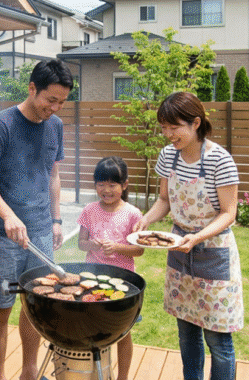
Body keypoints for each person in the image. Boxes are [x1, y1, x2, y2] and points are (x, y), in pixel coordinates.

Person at [0, 59, 75, 380]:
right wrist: (7, 215)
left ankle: (29, 372)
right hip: (3, 241)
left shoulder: (55, 126)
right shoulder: (1, 126)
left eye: (62, 102)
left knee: (35, 304)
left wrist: (57, 219)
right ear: (32, 89)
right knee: (2, 307)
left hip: (41, 234)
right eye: (51, 100)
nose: (56, 108)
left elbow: (53, 174)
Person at [132, 92, 243, 380]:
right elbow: (165, 200)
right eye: (164, 128)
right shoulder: (168, 156)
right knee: (187, 333)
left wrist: (196, 238)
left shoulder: (220, 159)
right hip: (179, 249)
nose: (168, 135)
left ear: (195, 123)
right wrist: (146, 218)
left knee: (218, 340)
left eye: (174, 127)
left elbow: (229, 213)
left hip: (212, 252)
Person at [76, 156, 143, 380]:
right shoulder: (89, 210)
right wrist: (92, 244)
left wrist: (117, 247)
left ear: (124, 185)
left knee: (123, 332)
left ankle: (122, 377)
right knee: (92, 329)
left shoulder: (133, 213)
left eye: (112, 184)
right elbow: (81, 243)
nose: (106, 190)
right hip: (92, 280)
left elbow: (139, 250)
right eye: (101, 184)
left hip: (124, 283)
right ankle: (92, 375)